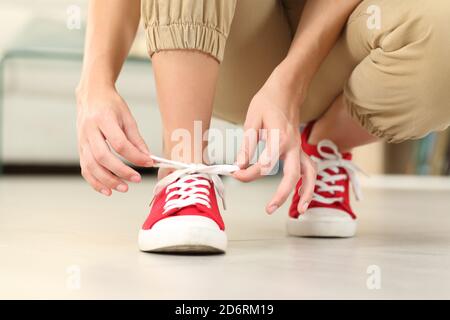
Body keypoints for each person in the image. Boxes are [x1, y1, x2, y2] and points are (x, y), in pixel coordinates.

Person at [76, 0, 450, 253]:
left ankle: (323, 146)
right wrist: (94, 83)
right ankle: (185, 166)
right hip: (224, 43)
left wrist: (290, 80)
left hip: (336, 43)